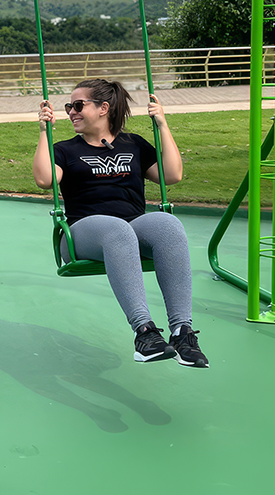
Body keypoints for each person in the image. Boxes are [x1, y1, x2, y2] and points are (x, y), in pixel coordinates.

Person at [33, 78, 208, 368]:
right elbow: (44, 179)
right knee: (117, 229)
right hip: (83, 233)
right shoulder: (65, 150)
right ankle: (145, 333)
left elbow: (172, 175)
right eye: (68, 106)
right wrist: (43, 132)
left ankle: (182, 332)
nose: (71, 112)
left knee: (168, 224)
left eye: (78, 105)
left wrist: (162, 124)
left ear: (103, 108)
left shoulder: (133, 144)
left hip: (130, 227)